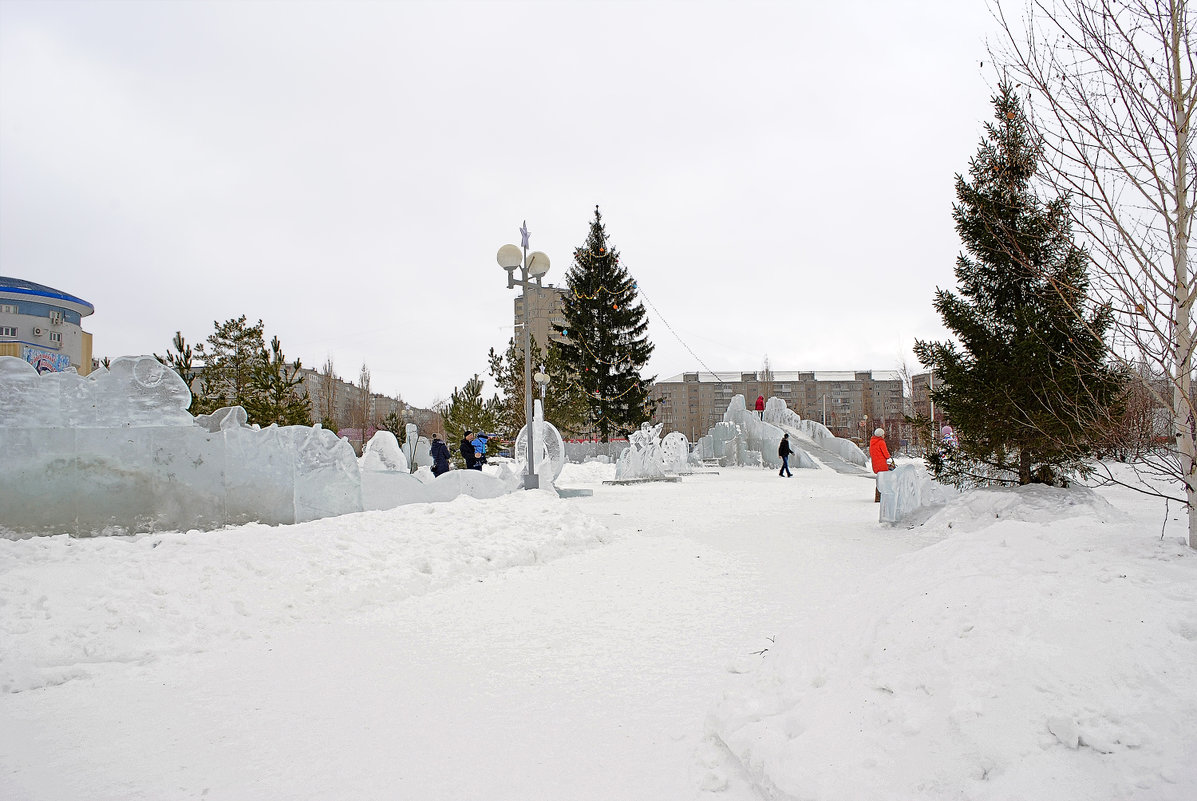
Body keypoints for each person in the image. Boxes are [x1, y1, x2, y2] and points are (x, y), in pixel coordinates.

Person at [869, 427, 894, 503]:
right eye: (883, 434)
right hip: (882, 463)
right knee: (884, 479)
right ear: (881, 435)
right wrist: (889, 457)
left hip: (875, 463)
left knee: (879, 479)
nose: (884, 436)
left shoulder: (872, 442)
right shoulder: (881, 442)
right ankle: (882, 496)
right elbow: (885, 453)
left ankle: (877, 496)